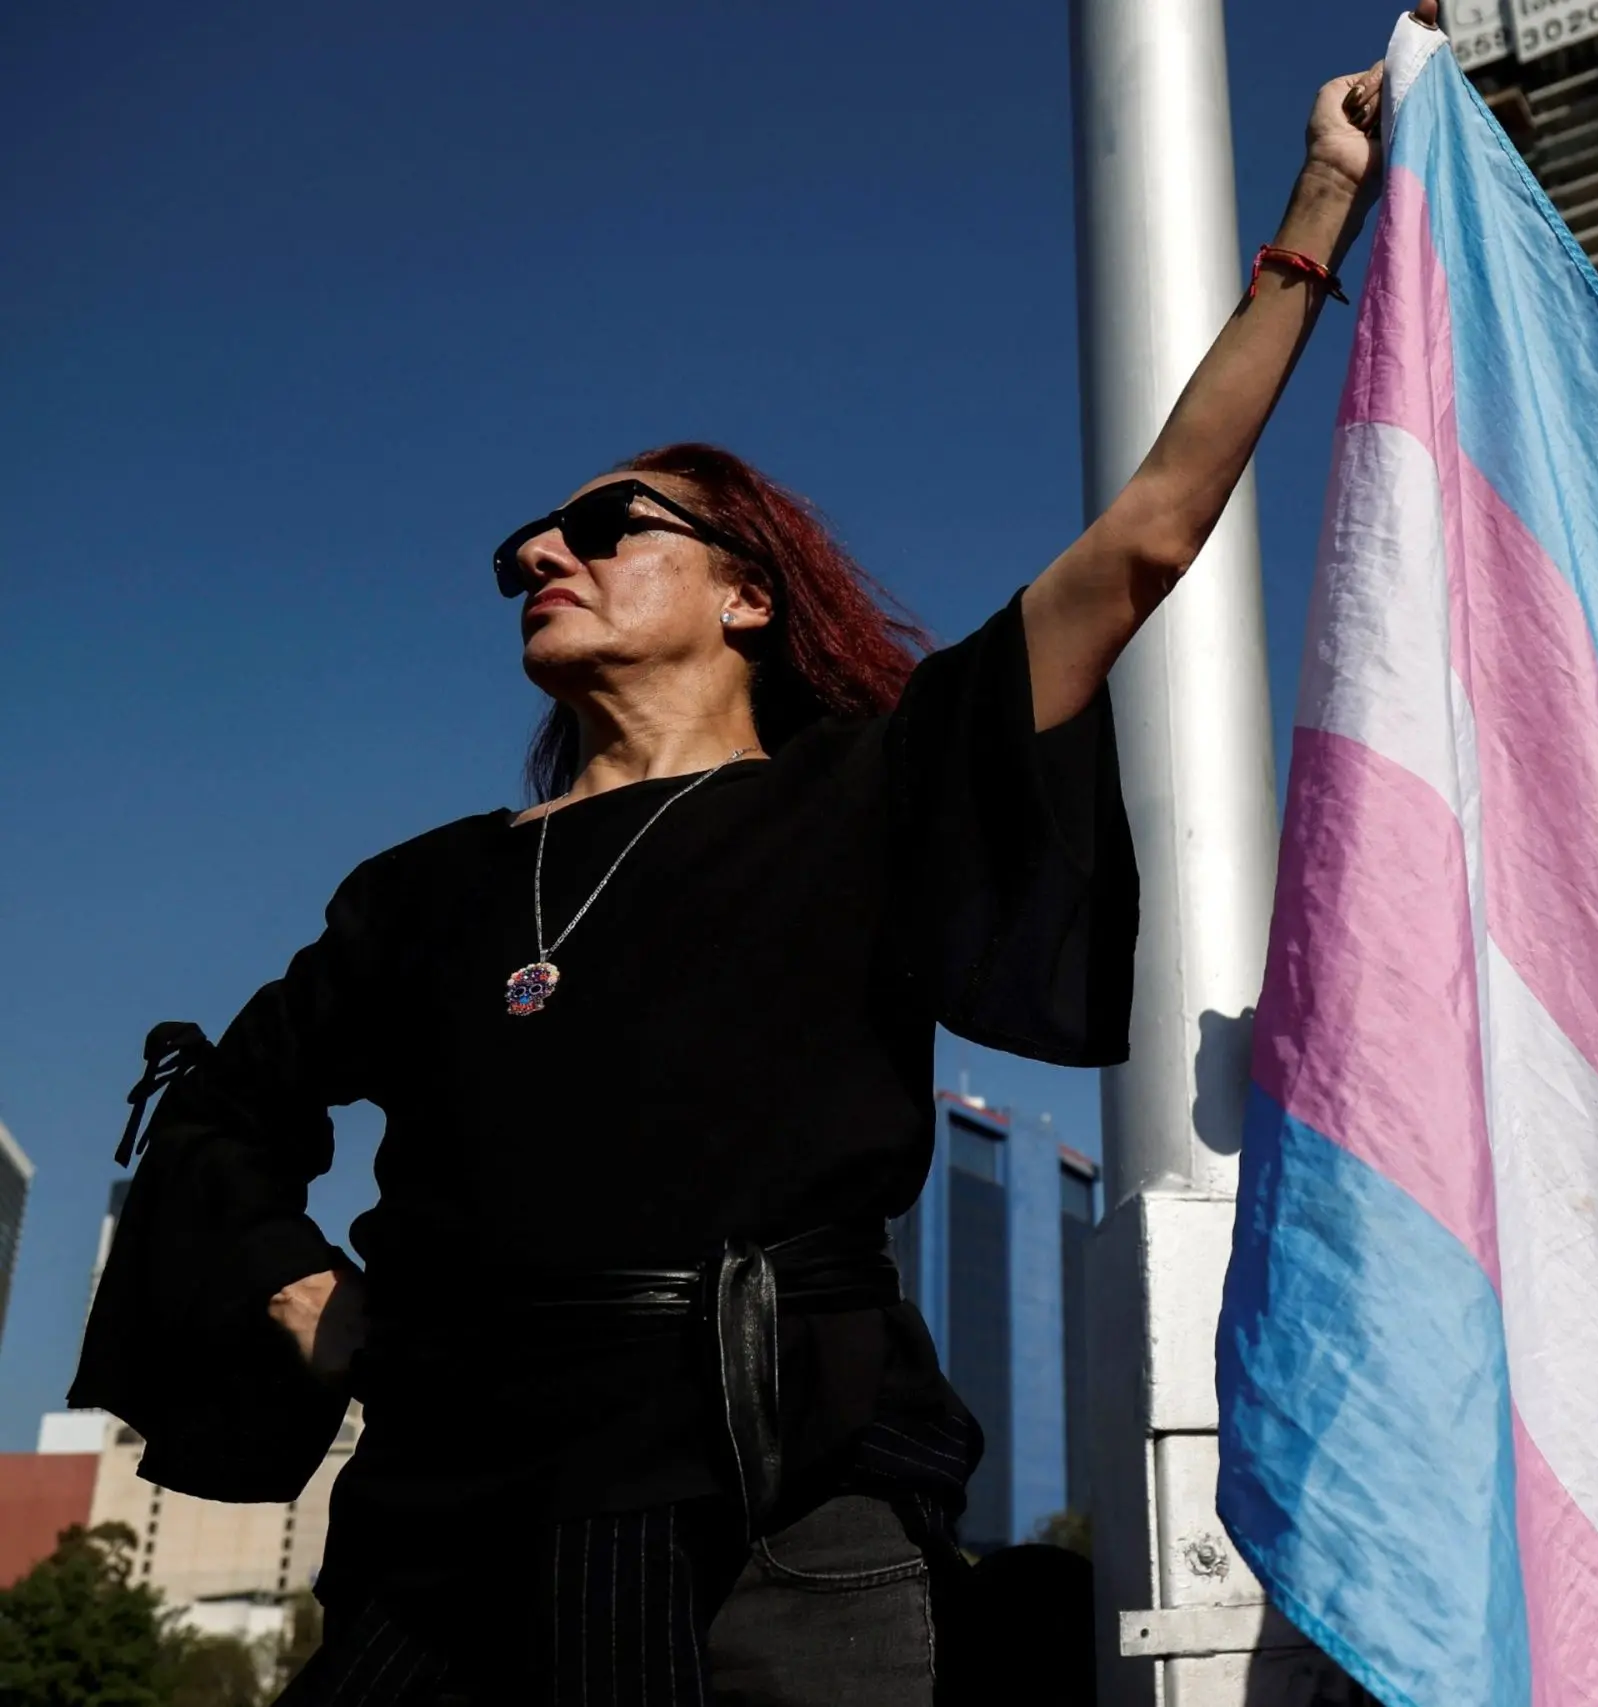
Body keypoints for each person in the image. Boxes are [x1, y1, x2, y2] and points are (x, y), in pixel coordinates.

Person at [69, 21, 1424, 1701]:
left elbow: (1146, 536)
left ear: (746, 591)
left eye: (605, 524)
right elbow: (218, 1107)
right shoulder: (420, 891)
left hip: (776, 1519)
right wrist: (304, 1295)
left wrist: (1316, 209)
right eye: (520, 554)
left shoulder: (863, 791)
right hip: (441, 1530)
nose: (542, 556)